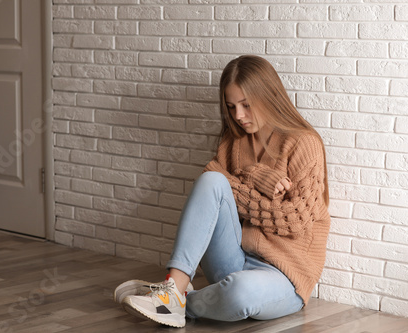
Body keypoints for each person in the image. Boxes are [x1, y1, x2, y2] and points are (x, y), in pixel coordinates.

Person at [113, 55, 331, 328]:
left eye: (247, 105)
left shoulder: (303, 143)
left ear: (269, 96)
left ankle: (178, 300)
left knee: (240, 293)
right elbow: (211, 181)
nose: (239, 116)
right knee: (212, 181)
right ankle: (173, 288)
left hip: (285, 275)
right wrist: (256, 176)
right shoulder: (233, 142)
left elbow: (295, 219)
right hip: (234, 257)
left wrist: (239, 180)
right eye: (232, 107)